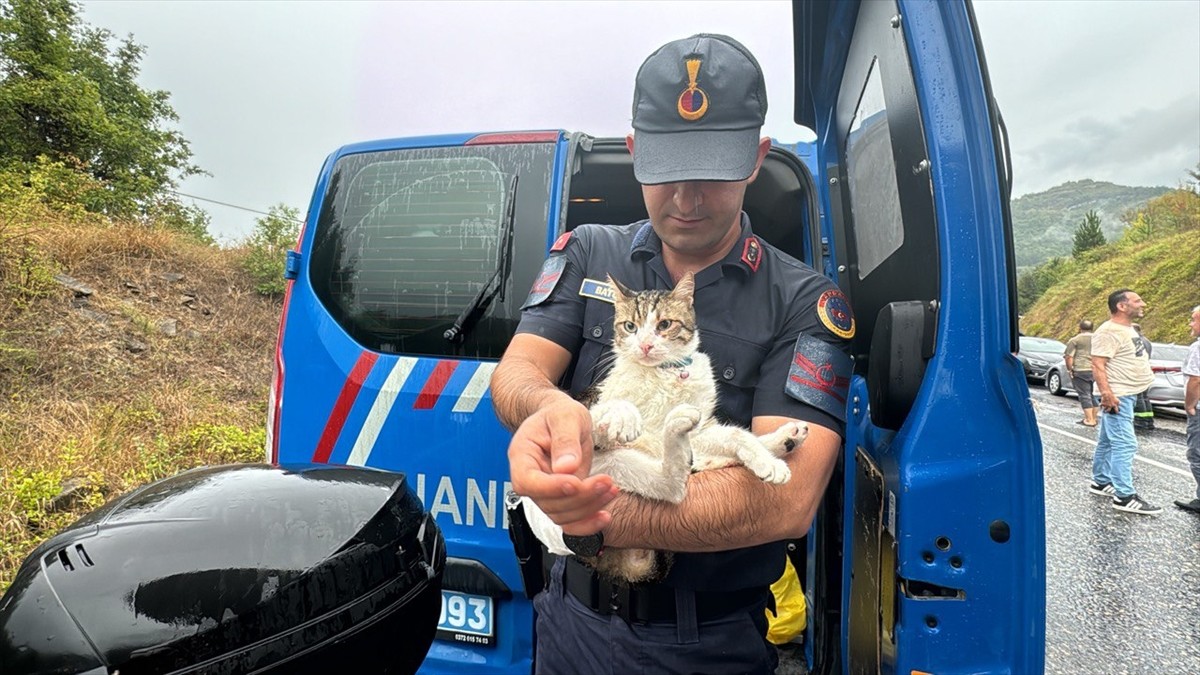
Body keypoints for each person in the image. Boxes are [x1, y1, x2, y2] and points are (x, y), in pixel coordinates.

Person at [491, 33, 853, 674]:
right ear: (634, 153)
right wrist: (549, 406)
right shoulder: (587, 253)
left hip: (701, 645)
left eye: (712, 170)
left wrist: (593, 517)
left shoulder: (803, 300)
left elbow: (788, 497)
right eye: (665, 170)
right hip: (566, 619)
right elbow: (517, 373)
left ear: (755, 158)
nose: (687, 198)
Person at [1088, 289, 1160, 514]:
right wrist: (1107, 393)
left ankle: (1100, 481)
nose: (1143, 304)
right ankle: (1124, 496)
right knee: (1125, 444)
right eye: (1138, 300)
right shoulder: (1108, 331)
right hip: (1118, 396)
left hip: (1128, 392)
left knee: (1108, 442)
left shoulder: (1125, 329)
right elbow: (1097, 364)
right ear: (1121, 306)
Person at [1174, 305, 1200, 513]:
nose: (1190, 324)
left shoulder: (1198, 348)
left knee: (1196, 453)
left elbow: (1195, 380)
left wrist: (1189, 404)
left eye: (1193, 320)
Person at [1063, 319, 1097, 426]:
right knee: (1091, 394)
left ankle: (1089, 420)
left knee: (1084, 394)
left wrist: (1070, 369)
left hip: (1081, 369)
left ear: (1080, 328)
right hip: (1095, 369)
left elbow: (1069, 356)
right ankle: (1094, 418)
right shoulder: (1098, 339)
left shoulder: (1075, 340)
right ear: (1092, 328)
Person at [1131, 323, 1155, 430]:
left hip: (1138, 371)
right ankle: (1149, 421)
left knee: (1139, 396)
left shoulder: (1137, 341)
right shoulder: (1147, 341)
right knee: (1145, 397)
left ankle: (1140, 421)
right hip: (1146, 371)